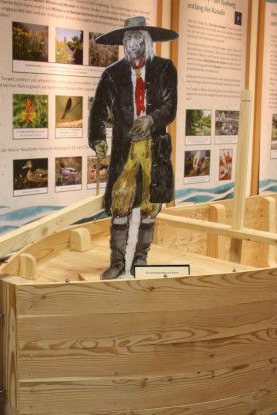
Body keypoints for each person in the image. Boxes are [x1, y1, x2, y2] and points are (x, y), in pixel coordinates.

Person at [89, 16, 178, 279]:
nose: (132, 44)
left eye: (137, 38)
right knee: (120, 200)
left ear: (147, 41)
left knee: (151, 203)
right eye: (128, 39)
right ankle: (117, 261)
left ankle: (141, 258)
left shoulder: (164, 69)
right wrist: (98, 139)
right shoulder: (112, 74)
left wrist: (151, 119)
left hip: (154, 148)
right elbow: (98, 110)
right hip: (125, 148)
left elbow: (170, 107)